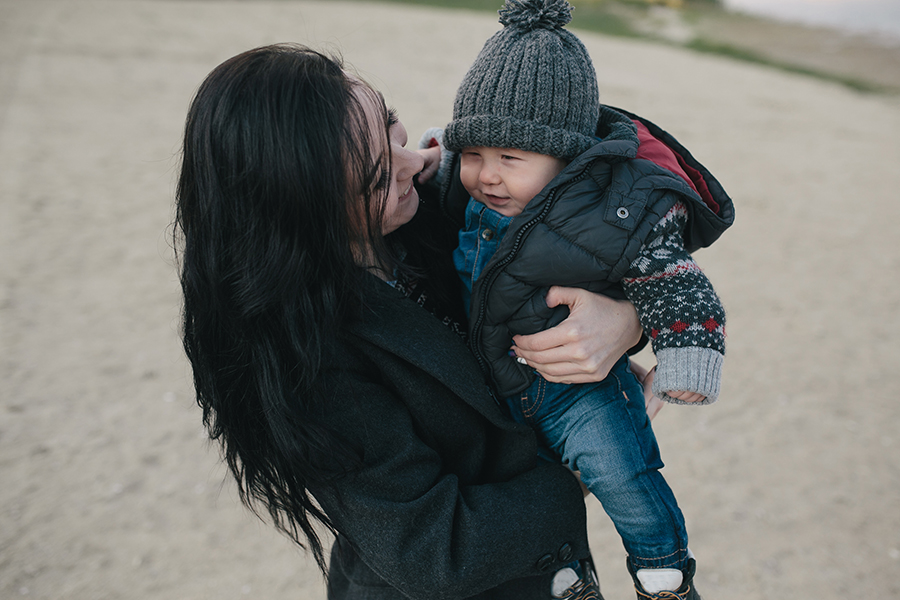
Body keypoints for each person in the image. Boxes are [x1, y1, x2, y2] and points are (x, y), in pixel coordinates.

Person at [174, 42, 660, 600]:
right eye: (378, 177)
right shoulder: (303, 357)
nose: (415, 163)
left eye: (391, 127)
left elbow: (595, 242)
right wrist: (595, 468)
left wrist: (622, 321)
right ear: (302, 213)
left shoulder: (436, 212)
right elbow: (435, 551)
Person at [415, 1, 735, 598]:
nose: (488, 175)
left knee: (622, 472)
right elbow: (443, 168)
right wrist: (436, 157)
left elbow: (677, 281)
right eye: (476, 155)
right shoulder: (477, 192)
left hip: (579, 388)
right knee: (534, 489)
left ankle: (662, 571)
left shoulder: (617, 213)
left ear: (567, 158)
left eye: (511, 159)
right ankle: (568, 576)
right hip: (498, 381)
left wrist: (685, 357)